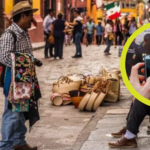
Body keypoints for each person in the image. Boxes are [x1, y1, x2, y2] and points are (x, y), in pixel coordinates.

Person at [0, 1, 39, 150]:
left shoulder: (24, 33)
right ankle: (5, 146)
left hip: (23, 79)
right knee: (11, 114)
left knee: (21, 112)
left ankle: (19, 142)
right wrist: (26, 60)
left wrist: (31, 60)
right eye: (30, 15)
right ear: (22, 15)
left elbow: (24, 54)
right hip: (14, 80)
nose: (32, 18)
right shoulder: (9, 34)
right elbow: (3, 57)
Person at [108, 34, 150, 148]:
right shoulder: (140, 49)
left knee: (140, 99)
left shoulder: (139, 49)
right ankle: (130, 130)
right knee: (140, 100)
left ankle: (130, 134)